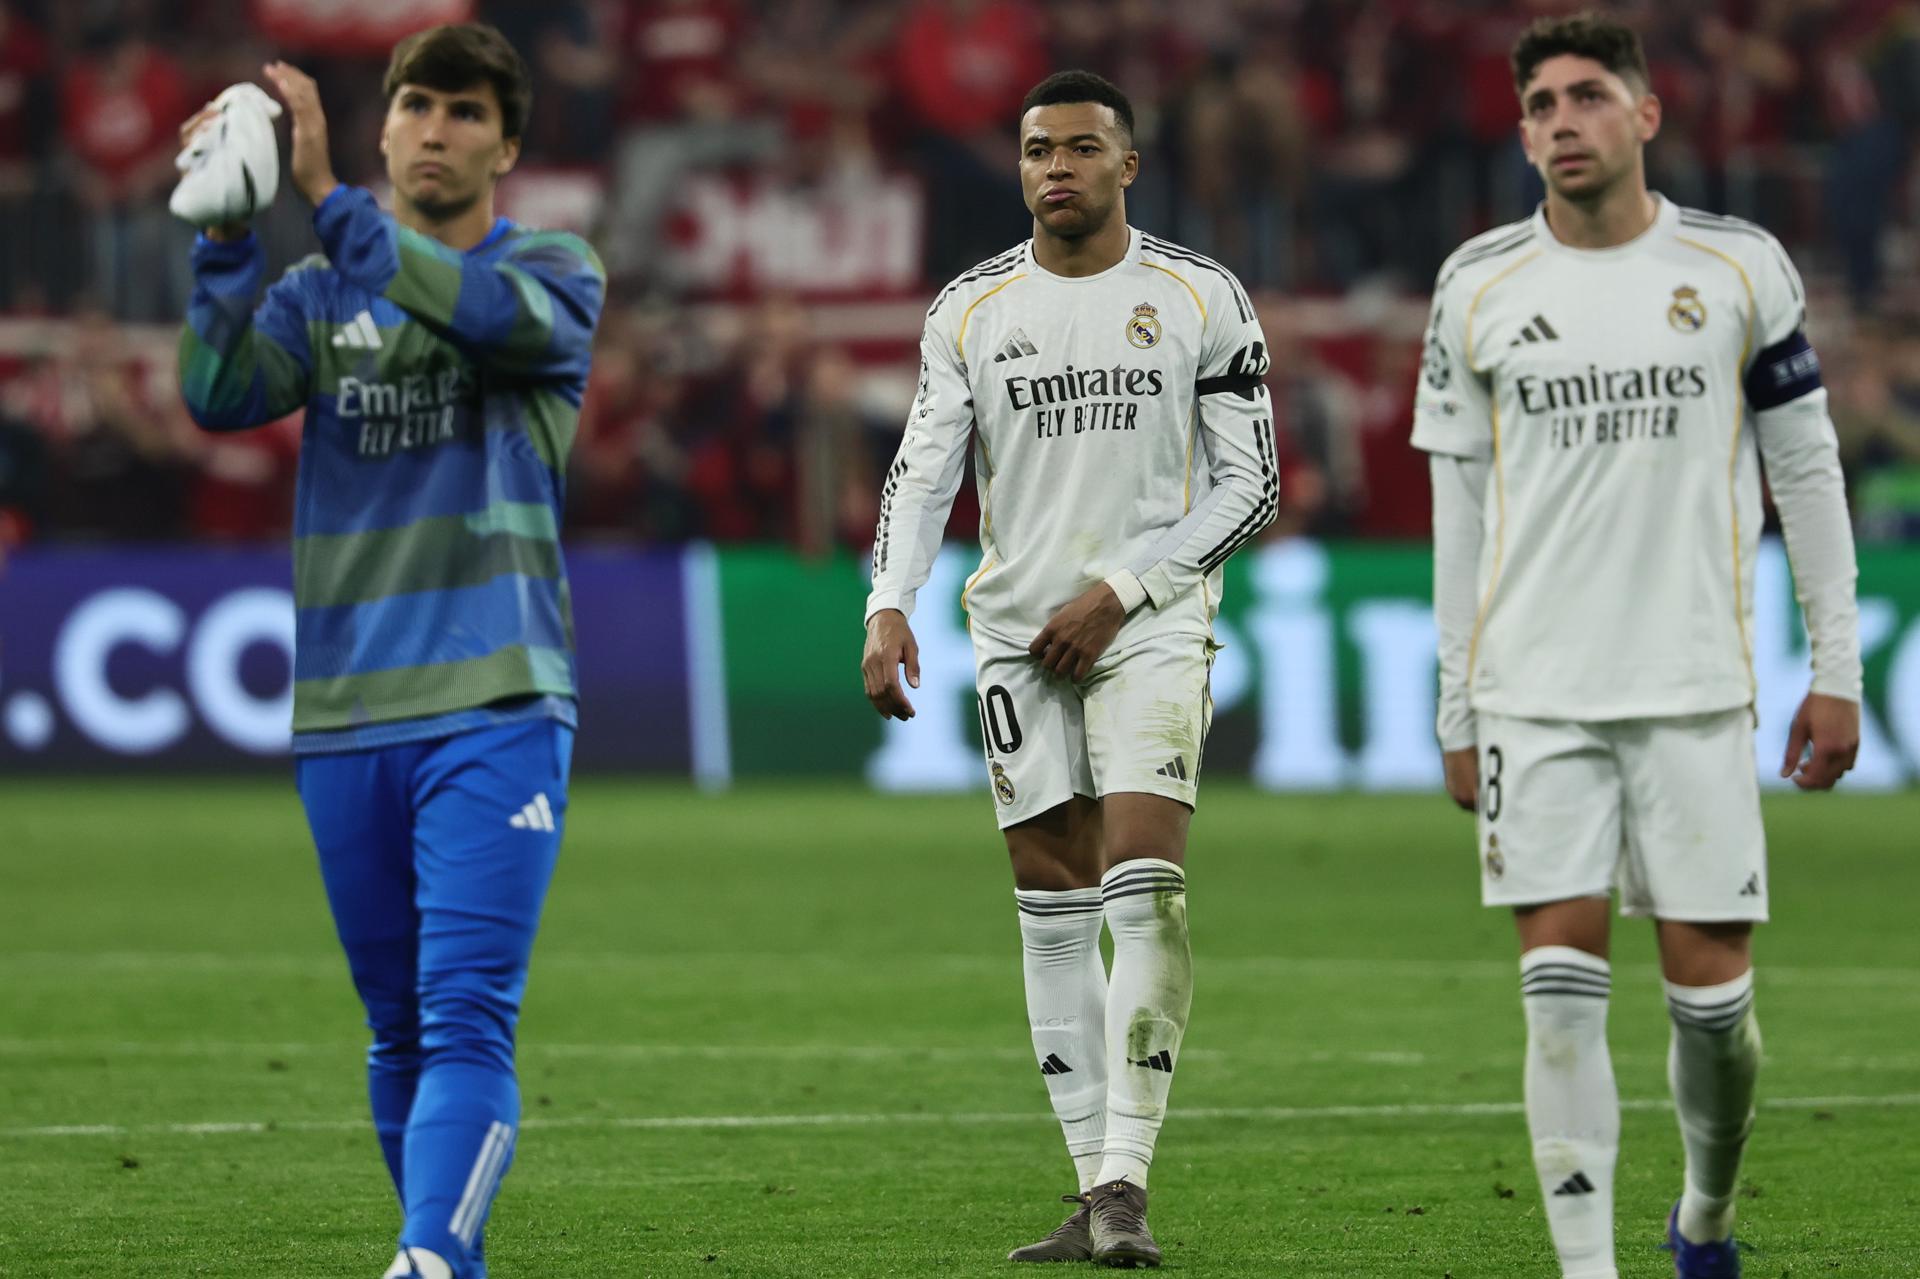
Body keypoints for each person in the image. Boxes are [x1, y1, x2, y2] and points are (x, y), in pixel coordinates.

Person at [1414, 14, 1860, 1279]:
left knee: (1713, 1008)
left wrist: (1837, 668)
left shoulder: (1738, 267)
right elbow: (1459, 509)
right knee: (1557, 993)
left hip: (1693, 684)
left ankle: (1705, 1212)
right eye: (1541, 106)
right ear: (1521, 133)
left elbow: (1806, 474)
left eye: (1589, 97)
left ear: (1647, 115)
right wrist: (1458, 704)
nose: (1564, 122)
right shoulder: (1477, 284)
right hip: (1534, 689)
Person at [176, 25, 604, 1279]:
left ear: (506, 147)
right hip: (347, 710)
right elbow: (217, 393)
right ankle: (441, 1258)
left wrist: (326, 200)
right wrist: (223, 239)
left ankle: (427, 1258)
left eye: (466, 112)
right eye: (417, 103)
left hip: (495, 695)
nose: (436, 129)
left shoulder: (554, 272)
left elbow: (481, 315)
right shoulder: (321, 294)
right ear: (385, 126)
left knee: (464, 1014)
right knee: (397, 1028)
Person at [860, 69, 1276, 1268]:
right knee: (1050, 906)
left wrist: (1125, 590)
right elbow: (923, 471)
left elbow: (1253, 485)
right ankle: (1095, 1186)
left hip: (1149, 623)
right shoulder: (971, 308)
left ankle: (1128, 1180)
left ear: (1127, 165)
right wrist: (888, 603)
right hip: (1016, 636)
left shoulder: (1199, 294)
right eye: (1040, 149)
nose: (1058, 167)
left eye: (1083, 148)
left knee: (1145, 886)